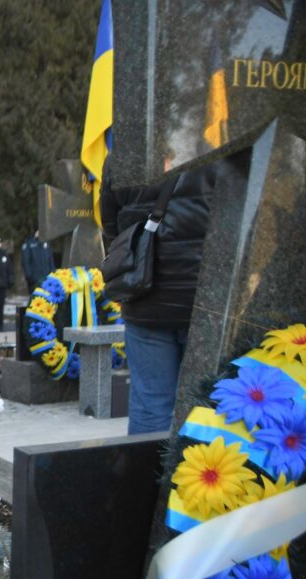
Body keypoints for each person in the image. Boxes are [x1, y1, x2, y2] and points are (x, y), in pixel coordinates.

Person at [101, 158, 218, 435]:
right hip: (207, 302)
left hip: (144, 296)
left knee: (150, 406)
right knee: (205, 409)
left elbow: (110, 225)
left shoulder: (126, 150)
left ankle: (145, 476)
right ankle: (198, 476)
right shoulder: (221, 143)